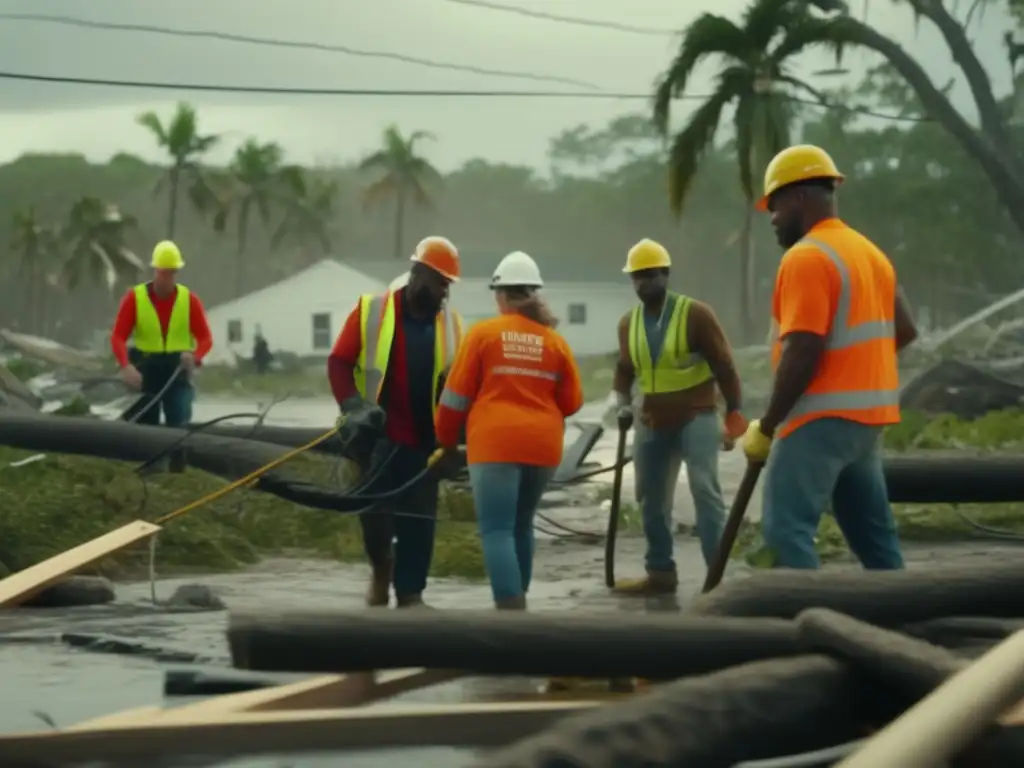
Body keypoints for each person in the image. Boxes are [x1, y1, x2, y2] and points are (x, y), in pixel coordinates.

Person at [740, 144, 918, 570]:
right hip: (867, 422)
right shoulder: (870, 254)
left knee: (786, 533)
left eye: (775, 206)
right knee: (874, 539)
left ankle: (809, 625)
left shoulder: (806, 257)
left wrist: (767, 425)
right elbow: (906, 330)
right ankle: (901, 617)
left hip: (817, 421)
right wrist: (854, 368)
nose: (773, 218)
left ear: (799, 197)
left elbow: (802, 348)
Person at [434, 251, 583, 610]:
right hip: (543, 449)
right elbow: (573, 402)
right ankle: (519, 603)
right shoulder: (555, 341)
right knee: (521, 526)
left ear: (501, 295)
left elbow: (454, 398)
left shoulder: (483, 334)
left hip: (495, 445)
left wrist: (446, 443)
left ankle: (510, 611)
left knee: (497, 530)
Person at [327, 235, 464, 608]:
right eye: (440, 284)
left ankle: (411, 594)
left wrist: (456, 438)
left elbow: (459, 385)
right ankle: (381, 569)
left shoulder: (451, 326)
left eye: (448, 286)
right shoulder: (372, 312)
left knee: (420, 520)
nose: (444, 293)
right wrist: (352, 405)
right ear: (419, 275)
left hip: (424, 441)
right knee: (375, 517)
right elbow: (338, 362)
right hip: (375, 439)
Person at [611, 239, 747, 596]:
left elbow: (725, 365)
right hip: (652, 420)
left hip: (696, 416)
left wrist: (735, 412)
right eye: (636, 277)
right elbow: (625, 369)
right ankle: (660, 573)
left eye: (649, 275)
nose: (643, 283)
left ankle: (716, 581)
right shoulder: (629, 323)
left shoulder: (695, 314)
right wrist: (621, 401)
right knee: (650, 498)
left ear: (666, 275)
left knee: (705, 491)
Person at [110, 240, 213, 428]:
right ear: (154, 271)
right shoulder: (135, 298)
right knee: (144, 431)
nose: (167, 278)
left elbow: (206, 339)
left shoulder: (189, 300)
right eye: (163, 273)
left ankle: (178, 457)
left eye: (172, 273)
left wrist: (195, 356)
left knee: (179, 426)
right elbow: (118, 337)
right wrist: (126, 367)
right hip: (145, 372)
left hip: (177, 371)